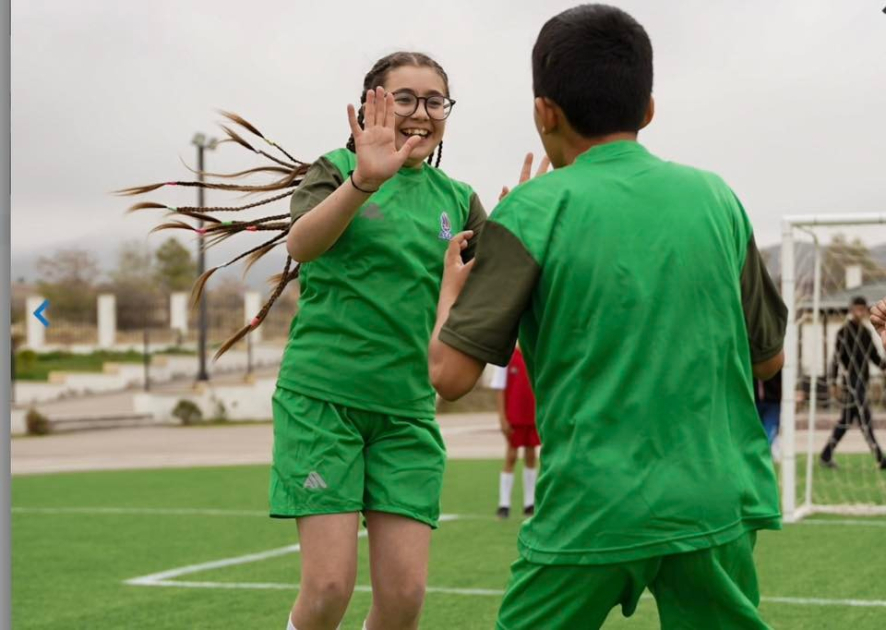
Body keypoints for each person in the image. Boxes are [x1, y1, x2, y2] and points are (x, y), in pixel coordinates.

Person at [427, 5, 787, 629]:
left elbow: (450, 377)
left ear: (544, 112)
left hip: (593, 505)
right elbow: (769, 359)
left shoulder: (529, 211)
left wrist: (450, 291)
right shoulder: (716, 198)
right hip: (716, 499)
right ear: (648, 109)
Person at [121, 51, 486, 630]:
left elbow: (487, 293)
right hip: (322, 403)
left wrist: (529, 224)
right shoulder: (336, 169)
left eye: (434, 101)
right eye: (404, 99)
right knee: (327, 590)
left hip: (407, 412)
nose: (421, 113)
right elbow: (302, 244)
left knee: (405, 598)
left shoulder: (459, 199)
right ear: (371, 108)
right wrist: (364, 182)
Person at [821, 296, 886, 470]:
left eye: (862, 309)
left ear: (865, 311)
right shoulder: (843, 332)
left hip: (862, 381)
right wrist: (833, 382)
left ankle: (825, 455)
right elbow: (836, 359)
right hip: (851, 383)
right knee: (865, 420)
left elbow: (874, 357)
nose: (859, 312)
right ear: (851, 310)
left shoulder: (866, 333)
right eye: (856, 309)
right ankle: (880, 458)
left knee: (846, 421)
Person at [490, 345, 539, 519]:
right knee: (511, 456)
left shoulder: (535, 353)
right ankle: (504, 504)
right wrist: (502, 417)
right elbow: (499, 387)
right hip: (514, 416)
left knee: (531, 455)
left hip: (533, 415)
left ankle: (530, 503)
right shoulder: (507, 356)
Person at [754, 369, 782, 460]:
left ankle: (764, 457)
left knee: (768, 436)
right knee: (755, 435)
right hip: (754, 402)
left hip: (772, 402)